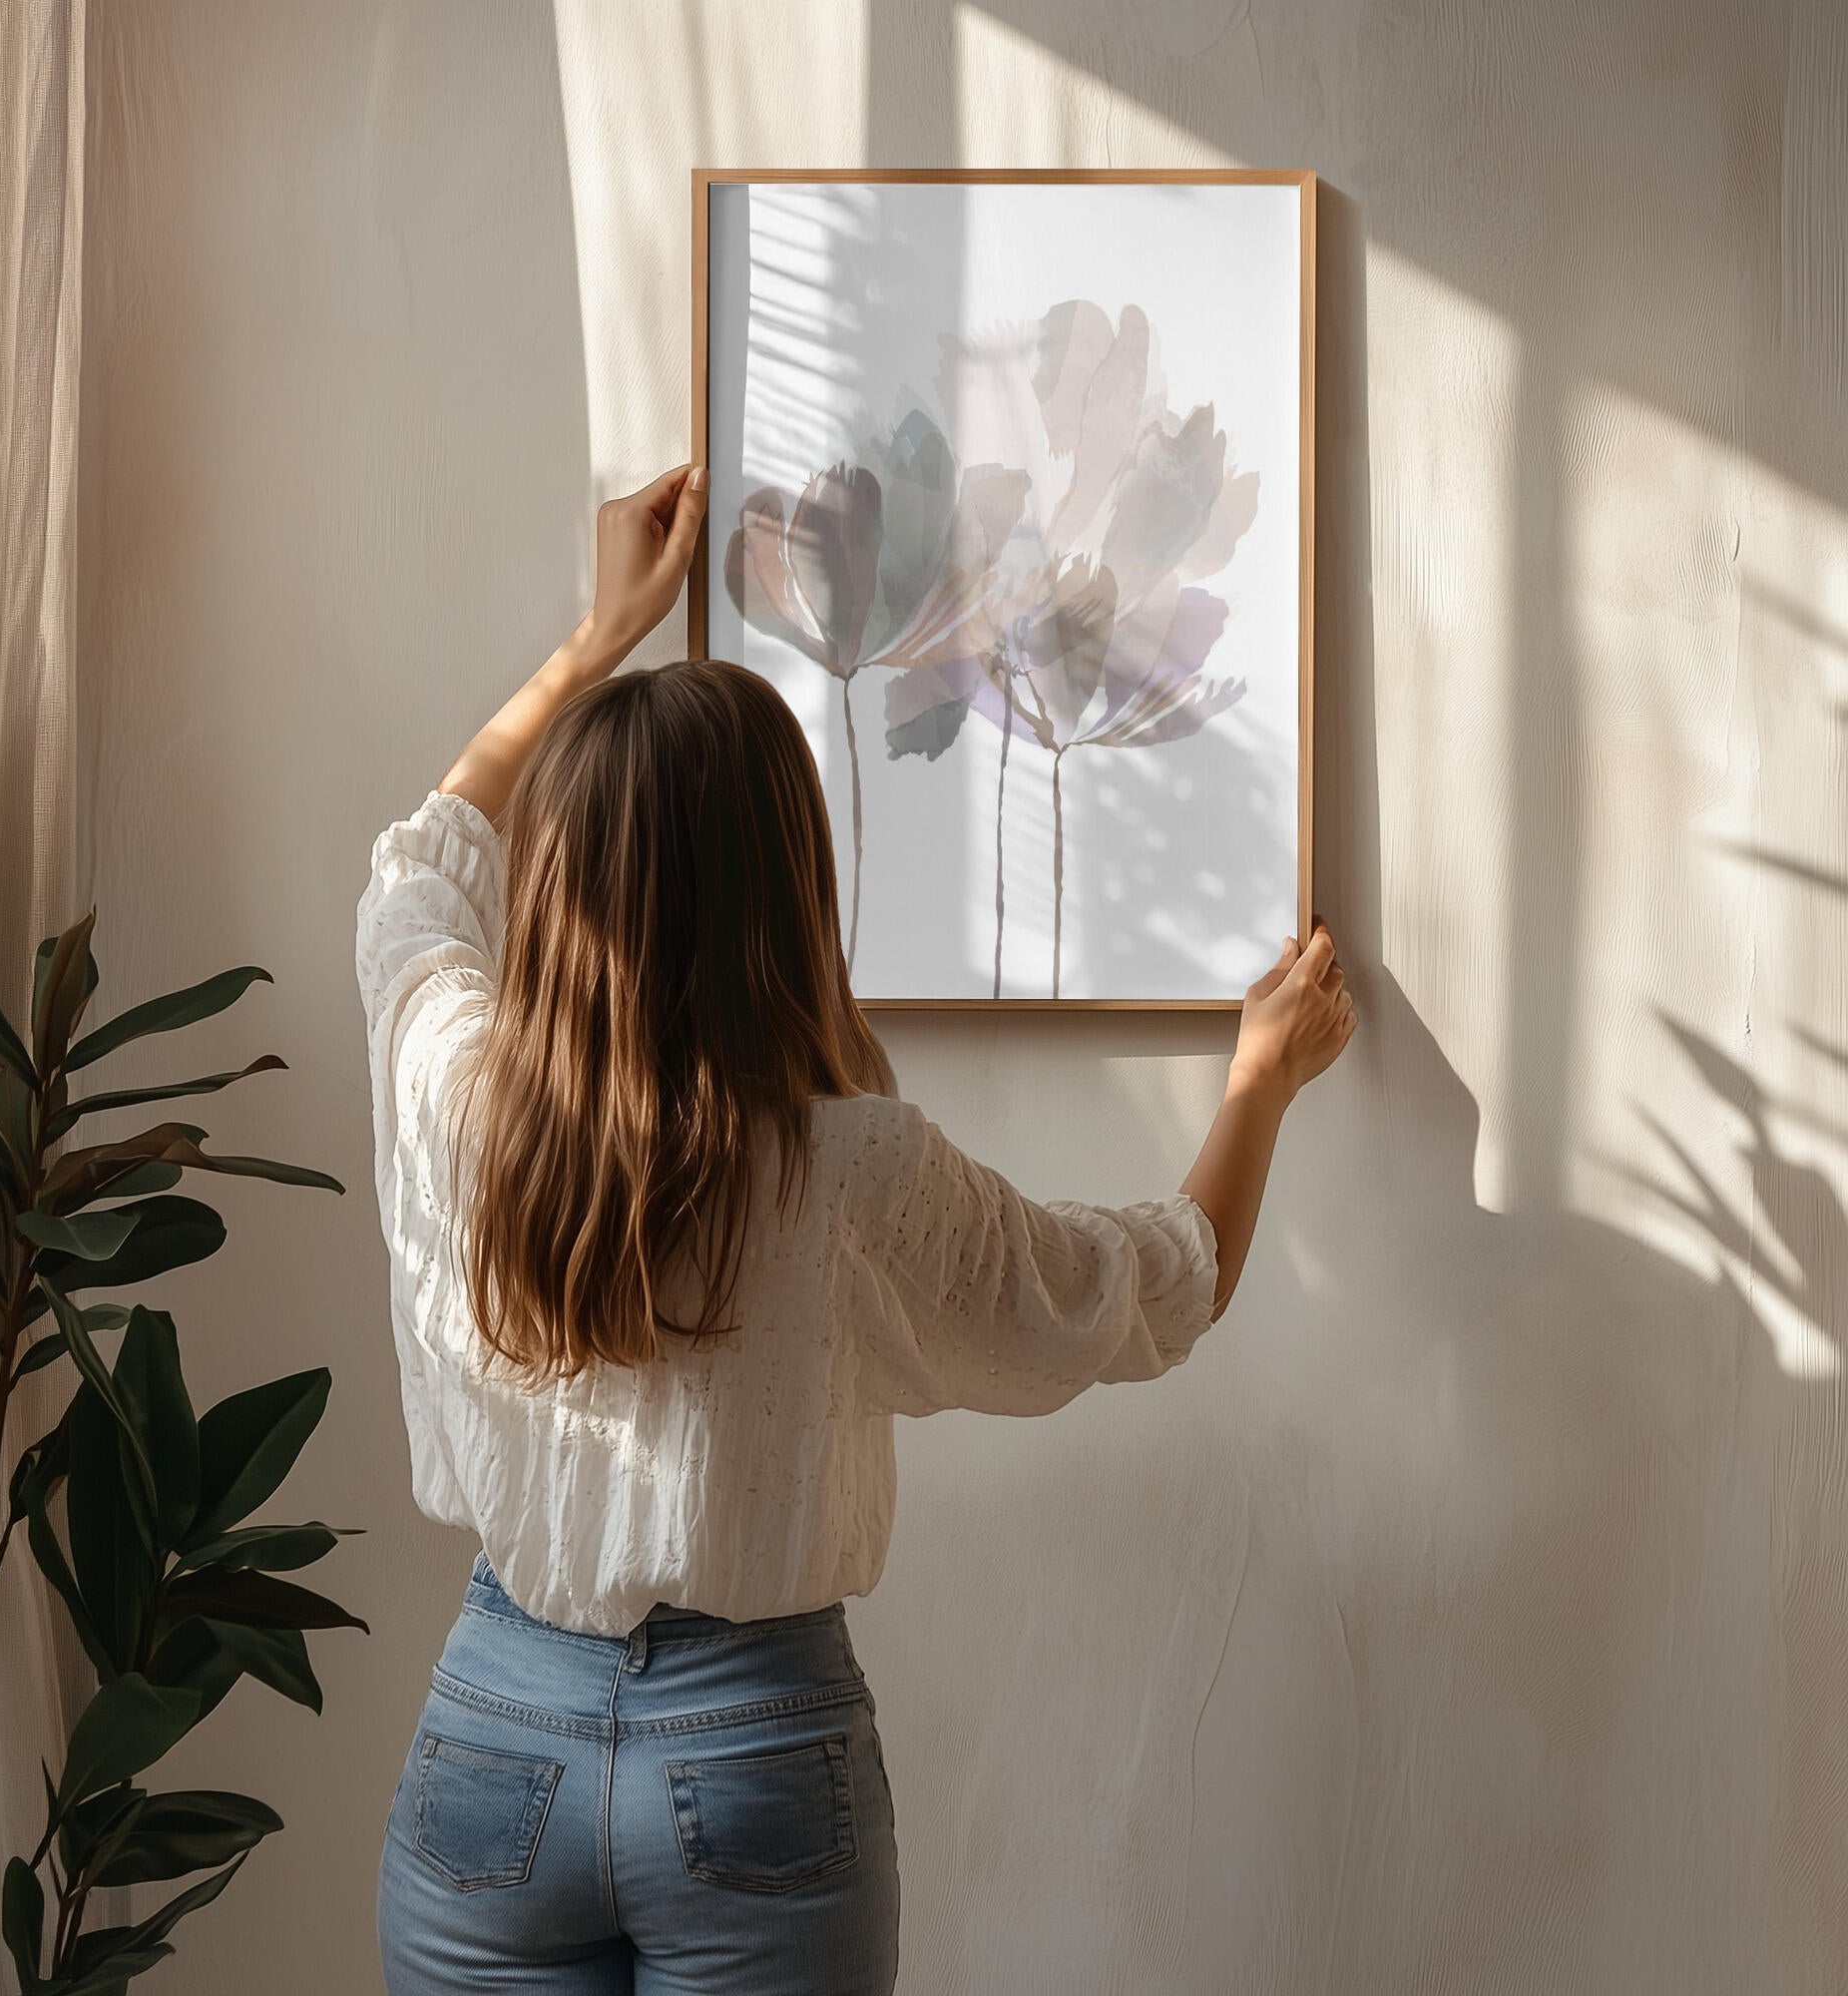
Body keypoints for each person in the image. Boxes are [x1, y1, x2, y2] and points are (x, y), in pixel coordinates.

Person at [360, 464, 1355, 1994]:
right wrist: (1259, 1085)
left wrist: (595, 639)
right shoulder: (850, 1172)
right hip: (751, 1755)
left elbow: (418, 874)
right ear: (789, 887)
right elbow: (1152, 1290)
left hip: (497, 1737)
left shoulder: (461, 1091)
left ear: (554, 887)